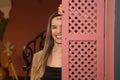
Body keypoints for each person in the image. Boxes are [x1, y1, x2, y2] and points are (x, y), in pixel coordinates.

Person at [31, 6, 63, 80]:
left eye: (62, 26)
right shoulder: (38, 57)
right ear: (50, 31)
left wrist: (74, 13)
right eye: (54, 27)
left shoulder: (77, 57)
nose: (58, 31)